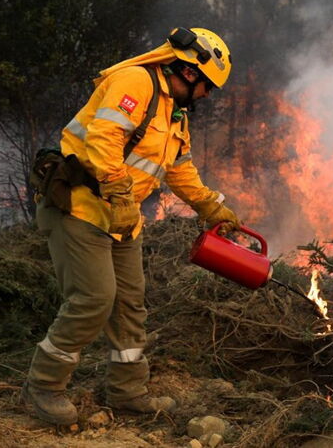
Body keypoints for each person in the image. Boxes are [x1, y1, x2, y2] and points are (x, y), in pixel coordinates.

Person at [24, 27, 242, 426]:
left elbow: (180, 170)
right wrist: (121, 196)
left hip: (123, 221)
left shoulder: (174, 113)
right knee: (93, 299)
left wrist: (211, 207)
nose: (208, 96)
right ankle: (43, 386)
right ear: (191, 73)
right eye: (208, 86)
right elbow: (103, 140)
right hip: (81, 207)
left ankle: (127, 392)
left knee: (129, 306)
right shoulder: (135, 82)